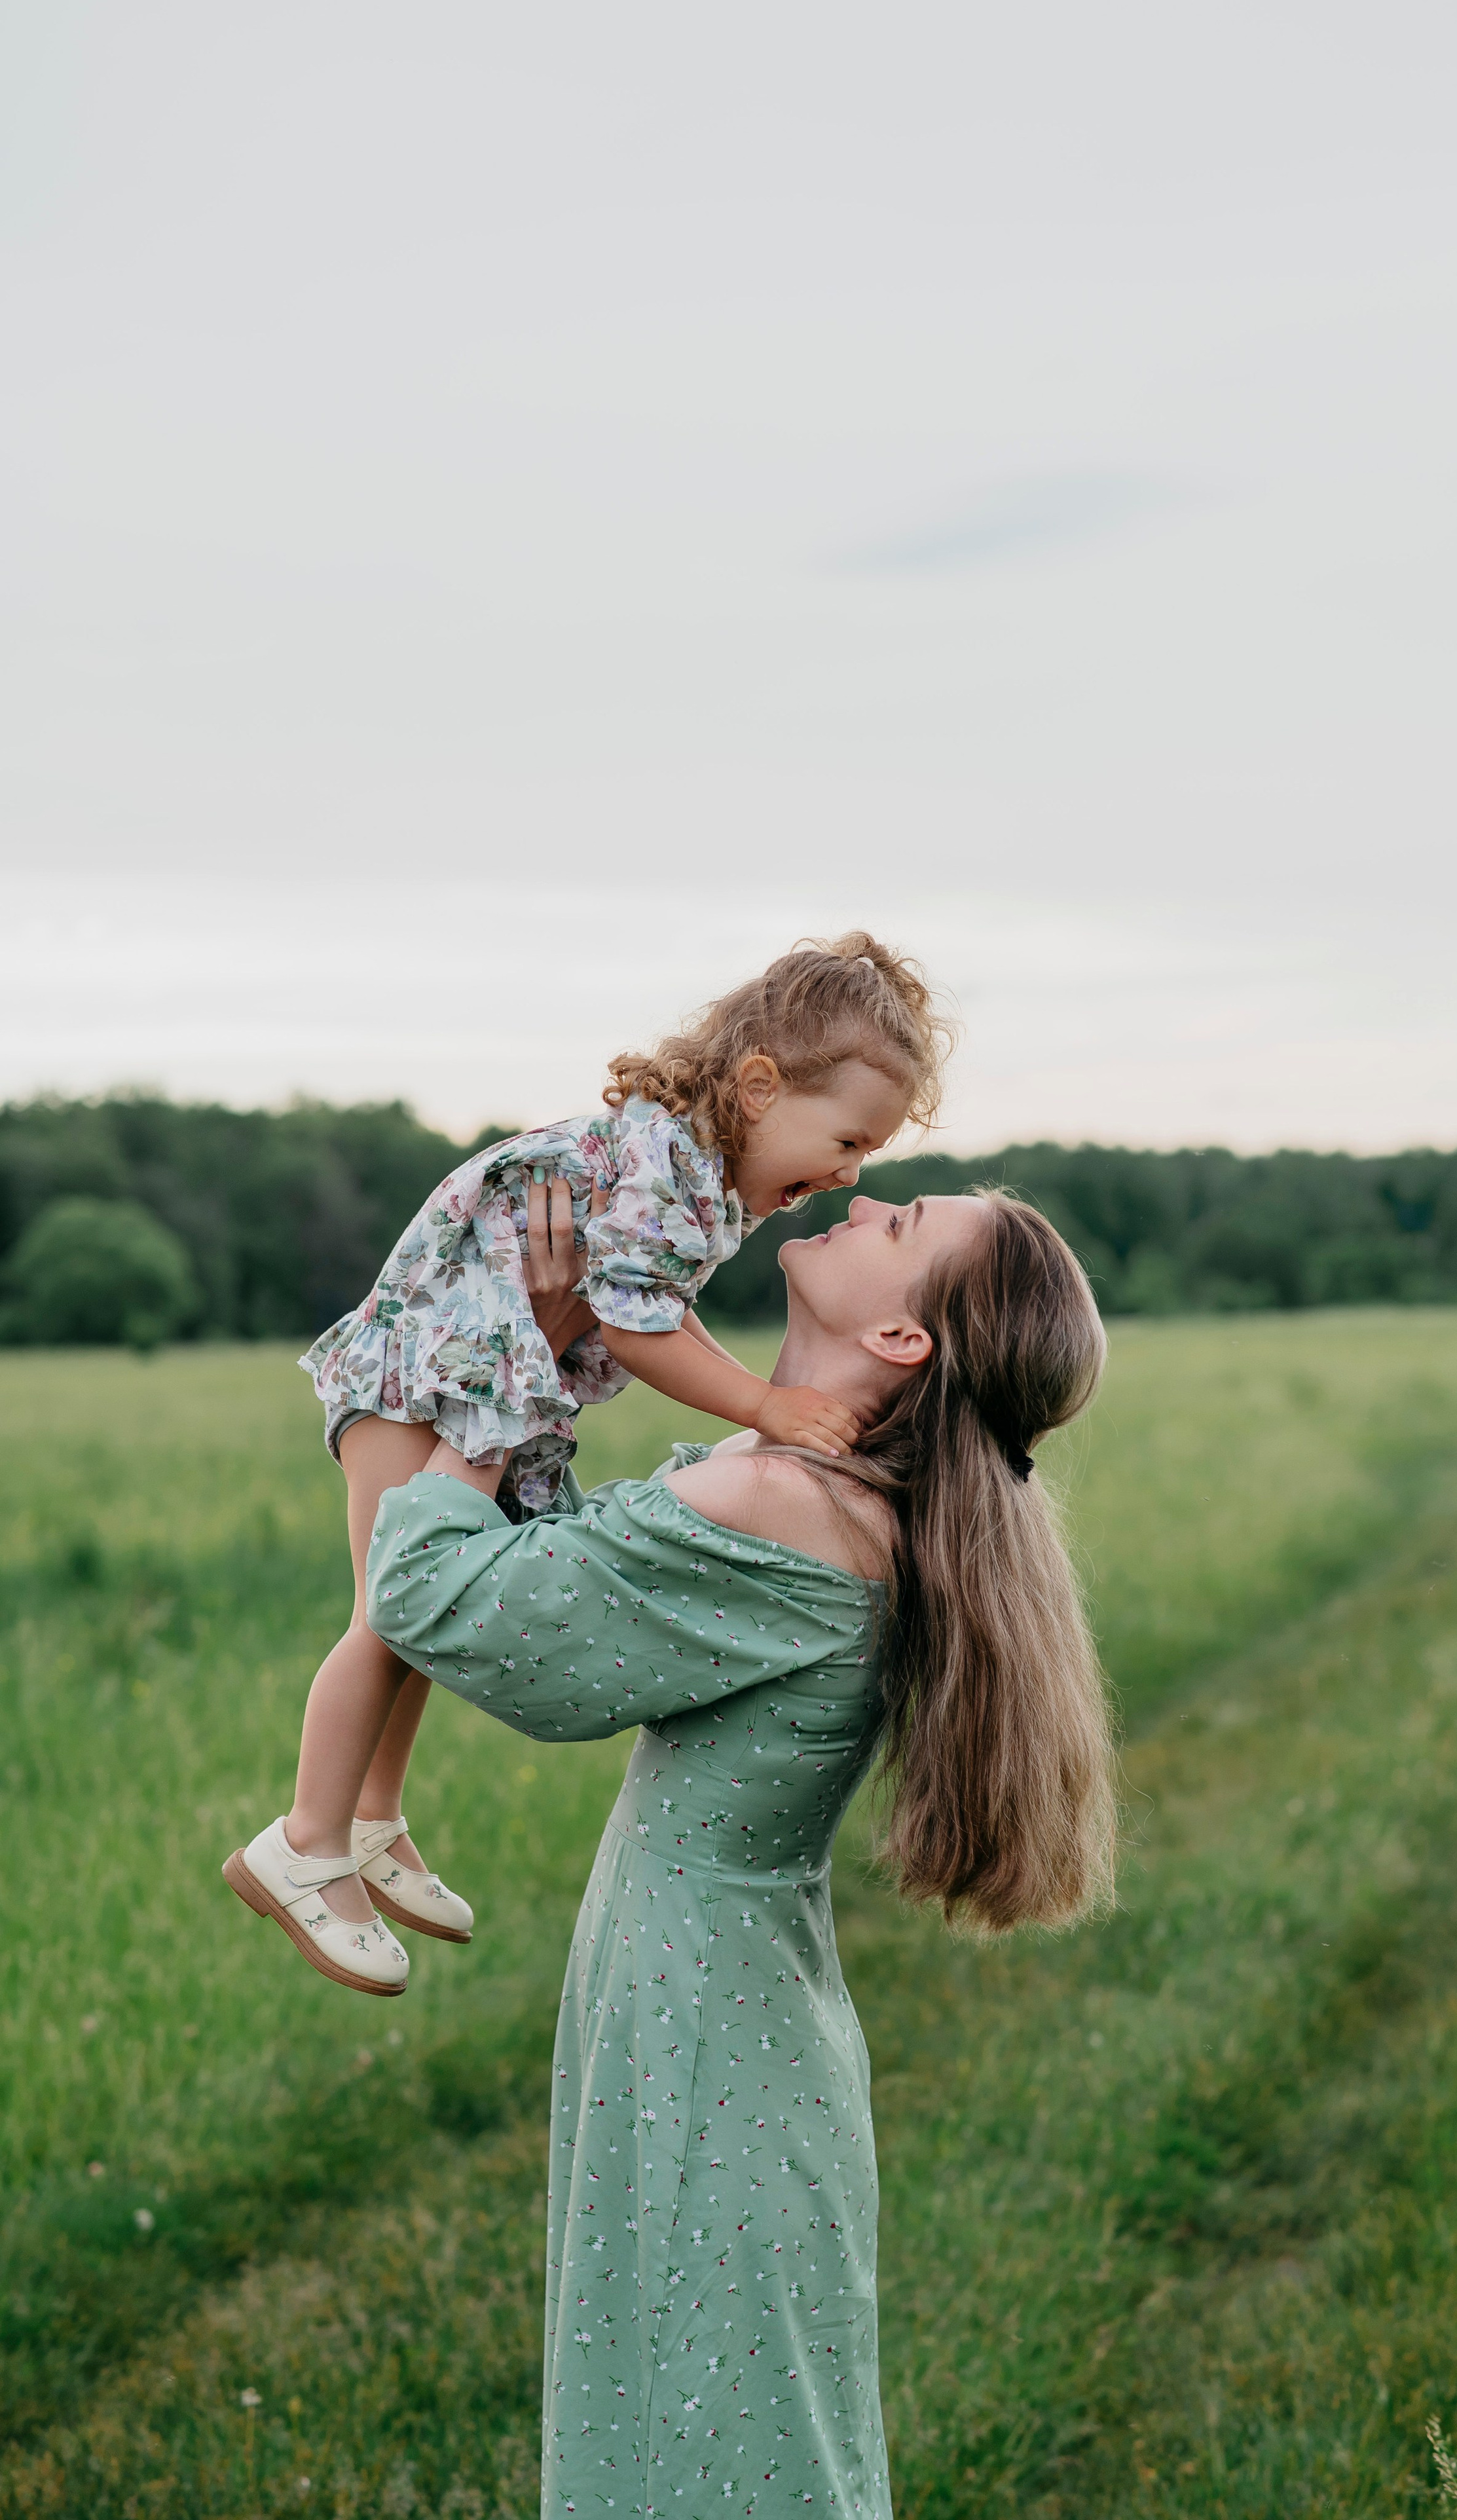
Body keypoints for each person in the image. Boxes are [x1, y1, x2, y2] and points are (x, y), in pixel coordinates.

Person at [350, 1174, 1116, 2520]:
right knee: (721, 2446)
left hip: (706, 2038)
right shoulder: (801, 1489)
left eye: (903, 1226)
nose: (868, 1199)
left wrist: (503, 1373)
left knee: (709, 2456)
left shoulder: (782, 1502)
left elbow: (443, 1602)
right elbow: (566, 1568)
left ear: (902, 1342)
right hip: (730, 2023)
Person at [223, 936, 951, 1997]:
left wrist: (746, 1396)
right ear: (757, 1087)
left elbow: (647, 1310)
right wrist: (762, 1406)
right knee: (389, 1613)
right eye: (845, 1140)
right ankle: (306, 1842)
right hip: (424, 1365)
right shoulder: (669, 1165)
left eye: (866, 1154)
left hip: (481, 1368)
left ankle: (373, 1819)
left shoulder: (707, 1179)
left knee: (417, 1621)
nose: (849, 1176)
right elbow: (635, 1319)